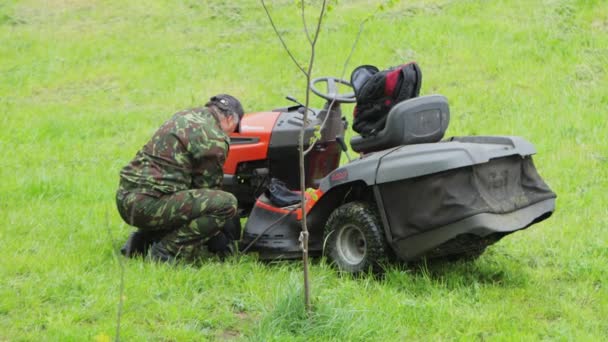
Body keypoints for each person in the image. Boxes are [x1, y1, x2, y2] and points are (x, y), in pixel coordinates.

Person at [115, 94, 244, 262]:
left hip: (125, 197)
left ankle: (142, 241)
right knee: (226, 204)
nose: (233, 133)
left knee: (180, 194)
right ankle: (166, 252)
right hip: (147, 204)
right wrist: (220, 234)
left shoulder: (184, 116)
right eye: (236, 127)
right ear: (228, 118)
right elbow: (207, 191)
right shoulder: (214, 138)